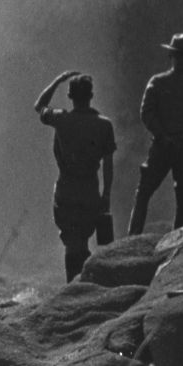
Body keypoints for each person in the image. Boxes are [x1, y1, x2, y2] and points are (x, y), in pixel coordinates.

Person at [127, 32, 183, 235]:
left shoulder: (158, 82)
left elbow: (146, 113)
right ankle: (178, 240)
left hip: (163, 146)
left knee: (144, 193)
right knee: (182, 198)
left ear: (171, 55)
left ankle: (133, 237)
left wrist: (163, 135)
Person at [34, 69, 116, 282]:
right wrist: (106, 194)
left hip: (66, 189)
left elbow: (39, 105)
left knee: (72, 243)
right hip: (89, 190)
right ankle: (85, 282)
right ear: (91, 95)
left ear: (70, 96)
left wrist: (58, 80)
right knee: (82, 241)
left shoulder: (60, 118)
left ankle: (74, 286)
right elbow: (108, 164)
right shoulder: (104, 124)